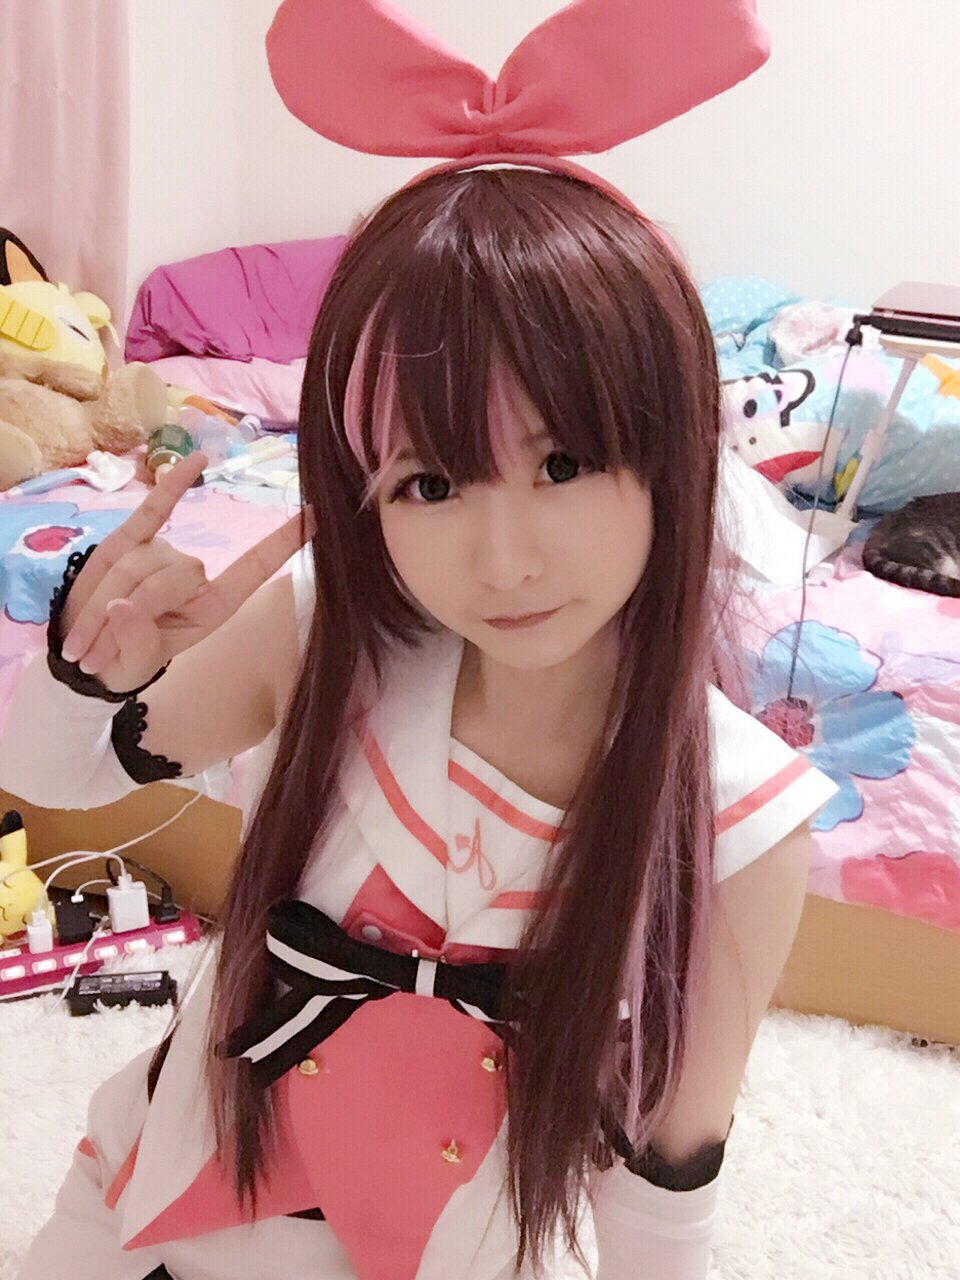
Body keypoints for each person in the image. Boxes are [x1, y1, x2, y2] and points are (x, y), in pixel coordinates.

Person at [2, 3, 841, 1278]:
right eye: (431, 482)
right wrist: (83, 673)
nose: (502, 560)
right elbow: (52, 779)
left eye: (563, 462)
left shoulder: (740, 813)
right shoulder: (325, 632)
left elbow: (669, 1170)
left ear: (672, 452)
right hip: (159, 1191)